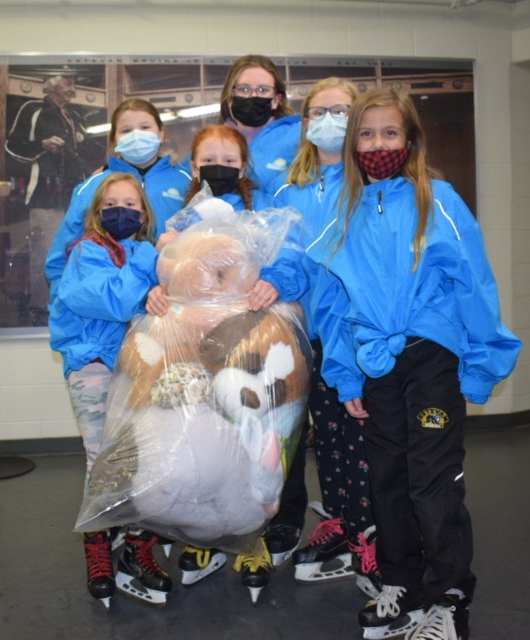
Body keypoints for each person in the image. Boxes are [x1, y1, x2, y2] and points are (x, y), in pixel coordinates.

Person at [305, 87, 521, 640]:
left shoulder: (439, 201)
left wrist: (481, 364)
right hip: (377, 365)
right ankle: (400, 581)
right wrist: (346, 373)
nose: (379, 143)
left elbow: (474, 285)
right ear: (354, 144)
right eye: (368, 134)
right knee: (388, 479)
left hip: (431, 359)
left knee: (432, 482)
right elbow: (331, 300)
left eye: (390, 132)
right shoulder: (343, 214)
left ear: (411, 139)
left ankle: (447, 596)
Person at [146, 125, 289, 603]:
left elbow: (288, 264)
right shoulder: (177, 220)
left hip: (250, 346)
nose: (221, 166)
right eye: (211, 158)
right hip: (193, 347)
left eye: (231, 159)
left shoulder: (264, 217)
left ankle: (253, 537)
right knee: (197, 437)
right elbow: (164, 274)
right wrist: (157, 286)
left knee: (257, 439)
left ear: (244, 167)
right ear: (194, 165)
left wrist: (275, 283)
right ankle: (201, 535)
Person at [269, 77, 382, 598]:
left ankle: (372, 536)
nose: (330, 119)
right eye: (318, 111)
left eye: (342, 109)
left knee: (361, 441)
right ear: (304, 122)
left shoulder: (371, 185)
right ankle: (342, 520)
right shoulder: (290, 191)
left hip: (355, 337)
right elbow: (289, 262)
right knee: (328, 443)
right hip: (305, 339)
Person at [48, 172, 171, 609]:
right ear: (97, 212)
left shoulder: (149, 253)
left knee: (143, 458)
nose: (123, 210)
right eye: (113, 202)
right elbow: (107, 298)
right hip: (95, 366)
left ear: (145, 214)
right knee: (102, 460)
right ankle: (98, 546)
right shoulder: (86, 252)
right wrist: (149, 282)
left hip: (139, 368)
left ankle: (138, 545)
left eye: (132, 204)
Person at [218, 55, 307, 569]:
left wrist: (280, 279)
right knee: (228, 412)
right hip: (224, 307)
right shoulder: (216, 142)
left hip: (281, 299)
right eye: (243, 86)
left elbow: (302, 225)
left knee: (282, 410)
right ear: (230, 92)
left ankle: (286, 514)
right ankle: (227, 517)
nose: (252, 95)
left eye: (263, 88)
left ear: (278, 97)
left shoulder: (299, 142)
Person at [44, 98, 192, 287]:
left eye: (145, 127)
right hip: (111, 298)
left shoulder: (185, 181)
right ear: (114, 140)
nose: (137, 136)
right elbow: (61, 258)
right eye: (126, 131)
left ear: (161, 134)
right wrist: (64, 306)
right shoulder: (93, 186)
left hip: (173, 295)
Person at [6, 75, 89, 323]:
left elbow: (87, 151)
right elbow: (11, 145)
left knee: (79, 252)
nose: (72, 88)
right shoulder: (33, 110)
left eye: (73, 83)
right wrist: (41, 145)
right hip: (46, 194)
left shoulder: (75, 118)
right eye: (67, 83)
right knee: (46, 253)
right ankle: (41, 310)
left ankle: (73, 305)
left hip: (75, 197)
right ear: (50, 86)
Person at [218, 54, 301, 194]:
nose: (253, 96)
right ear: (230, 96)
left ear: (276, 99)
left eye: (263, 90)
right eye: (244, 89)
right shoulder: (211, 141)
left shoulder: (299, 137)